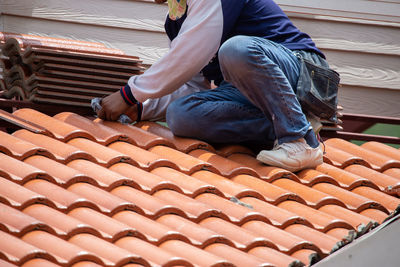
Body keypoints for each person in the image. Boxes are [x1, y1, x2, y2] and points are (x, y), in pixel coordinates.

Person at [98, 0, 339, 172]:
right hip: (248, 92)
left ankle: (299, 139)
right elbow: (191, 84)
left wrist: (129, 95)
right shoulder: (177, 21)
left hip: (301, 73)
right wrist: (140, 108)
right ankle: (302, 123)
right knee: (180, 116)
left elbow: (185, 58)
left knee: (237, 50)